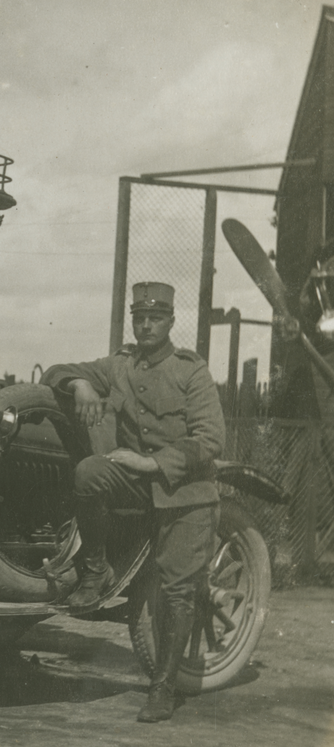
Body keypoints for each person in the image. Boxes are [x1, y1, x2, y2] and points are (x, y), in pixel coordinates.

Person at [41, 281, 225, 723]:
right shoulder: (120, 365)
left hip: (186, 493)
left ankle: (163, 687)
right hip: (140, 487)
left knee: (178, 590)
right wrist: (82, 384)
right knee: (89, 472)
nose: (145, 326)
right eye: (139, 318)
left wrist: (152, 462)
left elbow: (210, 439)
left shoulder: (191, 371)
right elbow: (55, 372)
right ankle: (96, 570)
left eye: (154, 318)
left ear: (171, 322)